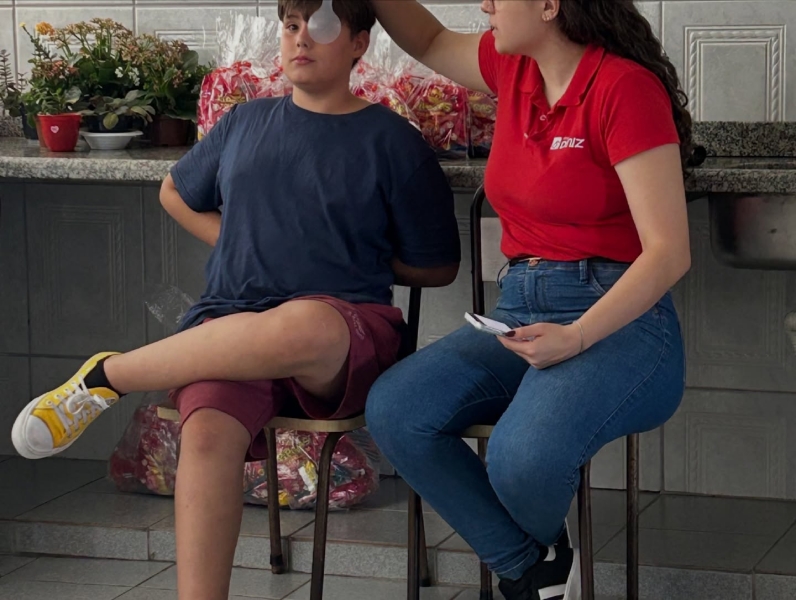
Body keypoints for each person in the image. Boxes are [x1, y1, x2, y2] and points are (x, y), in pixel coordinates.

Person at [11, 1, 460, 598]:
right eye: (291, 26)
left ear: (359, 43)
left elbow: (437, 267)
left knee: (304, 323)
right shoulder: (244, 123)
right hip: (231, 321)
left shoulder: (395, 142)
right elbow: (174, 191)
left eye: (321, 28)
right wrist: (241, 237)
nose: (301, 39)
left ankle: (109, 375)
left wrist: (353, 254)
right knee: (205, 432)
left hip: (340, 337)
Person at [364, 1, 693, 599]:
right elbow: (429, 39)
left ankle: (530, 577)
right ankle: (532, 569)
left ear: (548, 5)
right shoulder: (513, 69)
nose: (485, 5)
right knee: (396, 408)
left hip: (621, 320)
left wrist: (578, 335)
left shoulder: (624, 89)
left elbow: (669, 253)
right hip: (520, 305)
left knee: (521, 457)